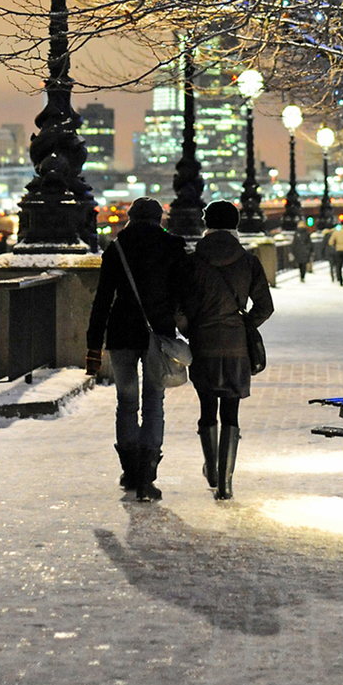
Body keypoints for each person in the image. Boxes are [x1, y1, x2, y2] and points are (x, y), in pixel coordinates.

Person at [85, 196, 189, 503]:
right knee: (154, 401)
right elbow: (183, 293)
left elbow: (102, 299)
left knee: (127, 401)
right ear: (159, 219)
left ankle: (130, 471)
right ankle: (147, 477)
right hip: (158, 334)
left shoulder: (117, 247)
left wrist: (93, 344)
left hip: (121, 334)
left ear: (130, 217)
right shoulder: (172, 247)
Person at [184, 199, 274, 501]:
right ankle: (225, 484)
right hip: (236, 346)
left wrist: (191, 329)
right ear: (236, 225)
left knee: (207, 408)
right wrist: (246, 324)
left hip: (203, 344)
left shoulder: (193, 260)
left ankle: (211, 469)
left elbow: (179, 307)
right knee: (231, 412)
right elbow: (265, 306)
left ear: (206, 224)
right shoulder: (248, 261)